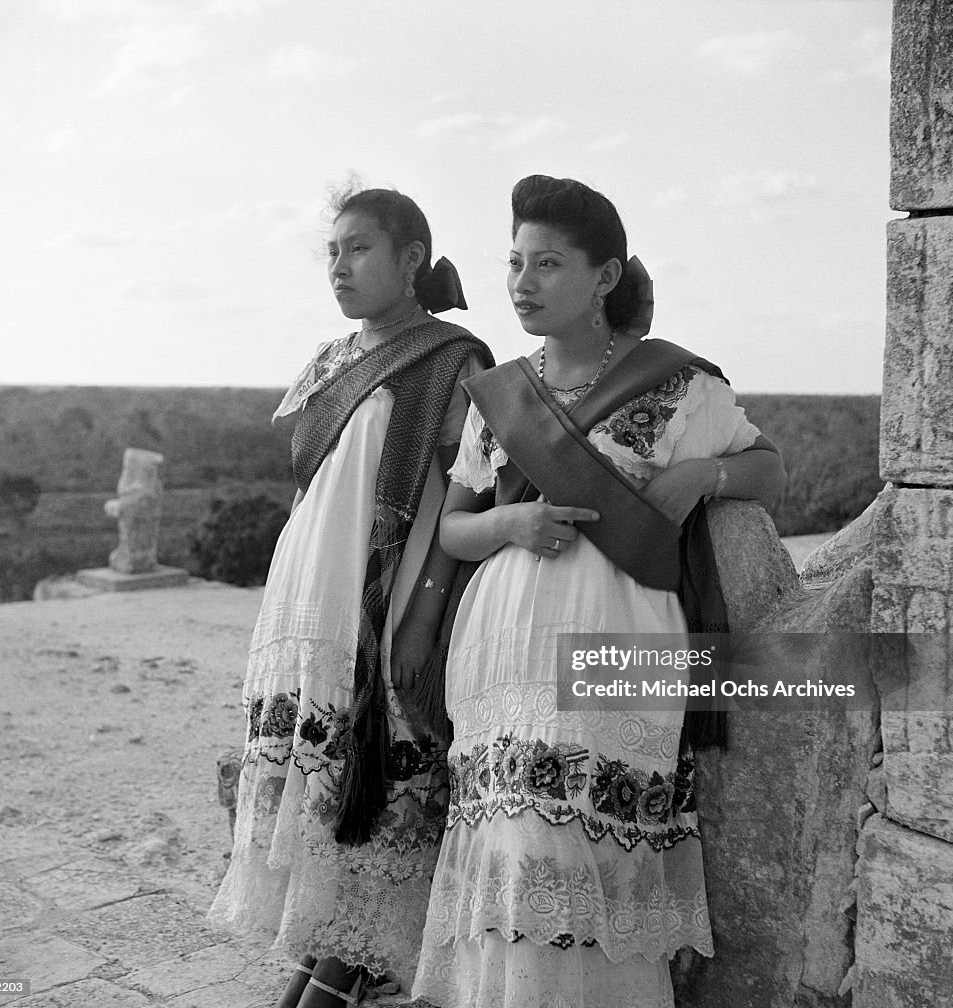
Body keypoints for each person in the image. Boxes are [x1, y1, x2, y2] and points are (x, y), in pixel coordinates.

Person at [412, 175, 785, 1008]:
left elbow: (769, 467)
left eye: (547, 264)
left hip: (620, 634)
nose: (522, 283)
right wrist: (509, 527)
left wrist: (704, 472)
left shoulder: (679, 386)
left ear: (606, 278)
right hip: (504, 649)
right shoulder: (497, 397)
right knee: (512, 852)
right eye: (514, 263)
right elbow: (452, 529)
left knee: (585, 853)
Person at [208, 184, 493, 1008]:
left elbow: (456, 499)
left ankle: (345, 972)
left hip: (382, 605)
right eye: (332, 251)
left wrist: (420, 615)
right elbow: (316, 489)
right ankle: (322, 962)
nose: (339, 266)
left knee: (382, 791)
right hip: (308, 600)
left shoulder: (451, 360)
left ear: (411, 261)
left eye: (359, 248)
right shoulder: (331, 360)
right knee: (321, 794)